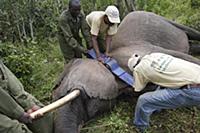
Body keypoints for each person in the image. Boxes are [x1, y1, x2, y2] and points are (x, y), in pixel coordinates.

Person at [127, 53, 200, 132]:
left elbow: (138, 88)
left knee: (144, 100)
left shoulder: (138, 69)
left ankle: (140, 127)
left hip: (192, 91)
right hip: (196, 75)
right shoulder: (156, 55)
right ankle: (156, 108)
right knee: (163, 84)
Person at [0, 61, 53, 133]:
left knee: (43, 118)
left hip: (7, 100)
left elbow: (8, 79)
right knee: (15, 130)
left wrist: (27, 104)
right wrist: (19, 113)